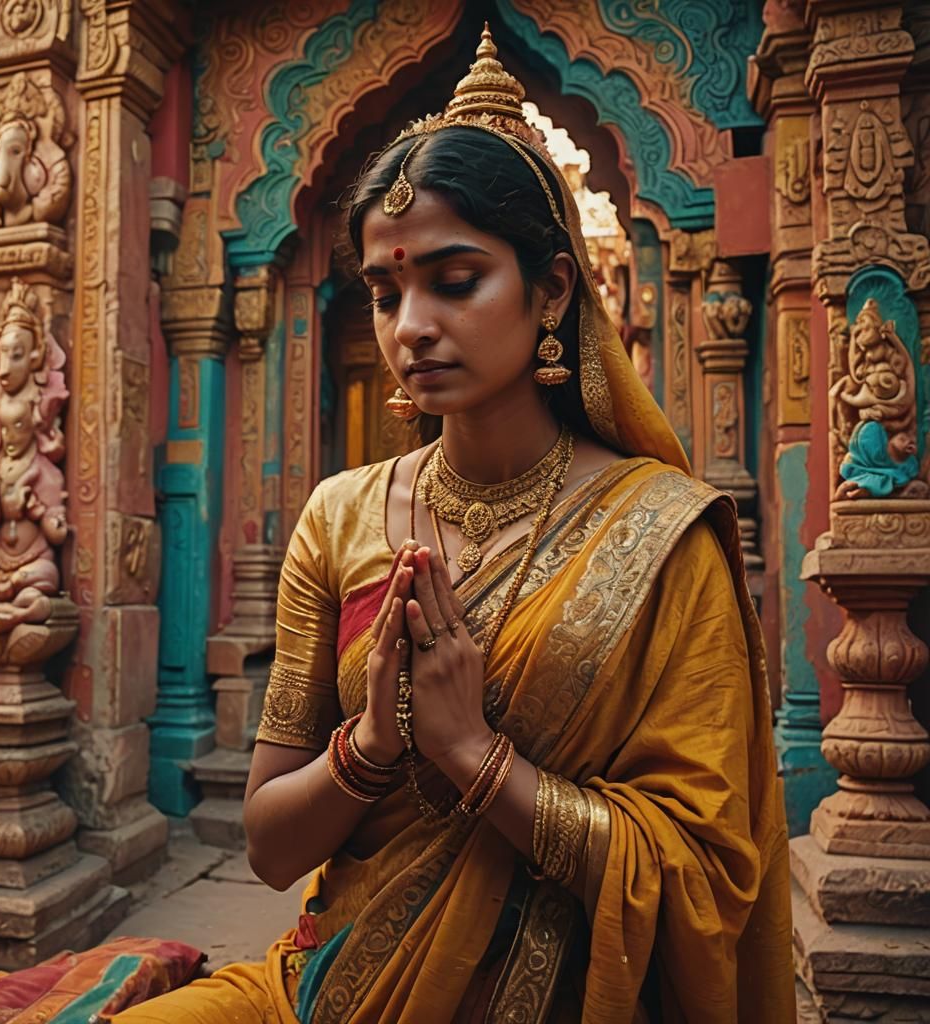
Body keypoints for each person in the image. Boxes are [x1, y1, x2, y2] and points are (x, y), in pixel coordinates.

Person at [113, 27, 794, 1024]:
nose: (410, 326)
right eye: (386, 292)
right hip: (330, 980)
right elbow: (267, 847)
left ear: (552, 288)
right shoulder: (340, 519)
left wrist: (474, 755)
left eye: (455, 278)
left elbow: (704, 874)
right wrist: (370, 752)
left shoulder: (663, 532)